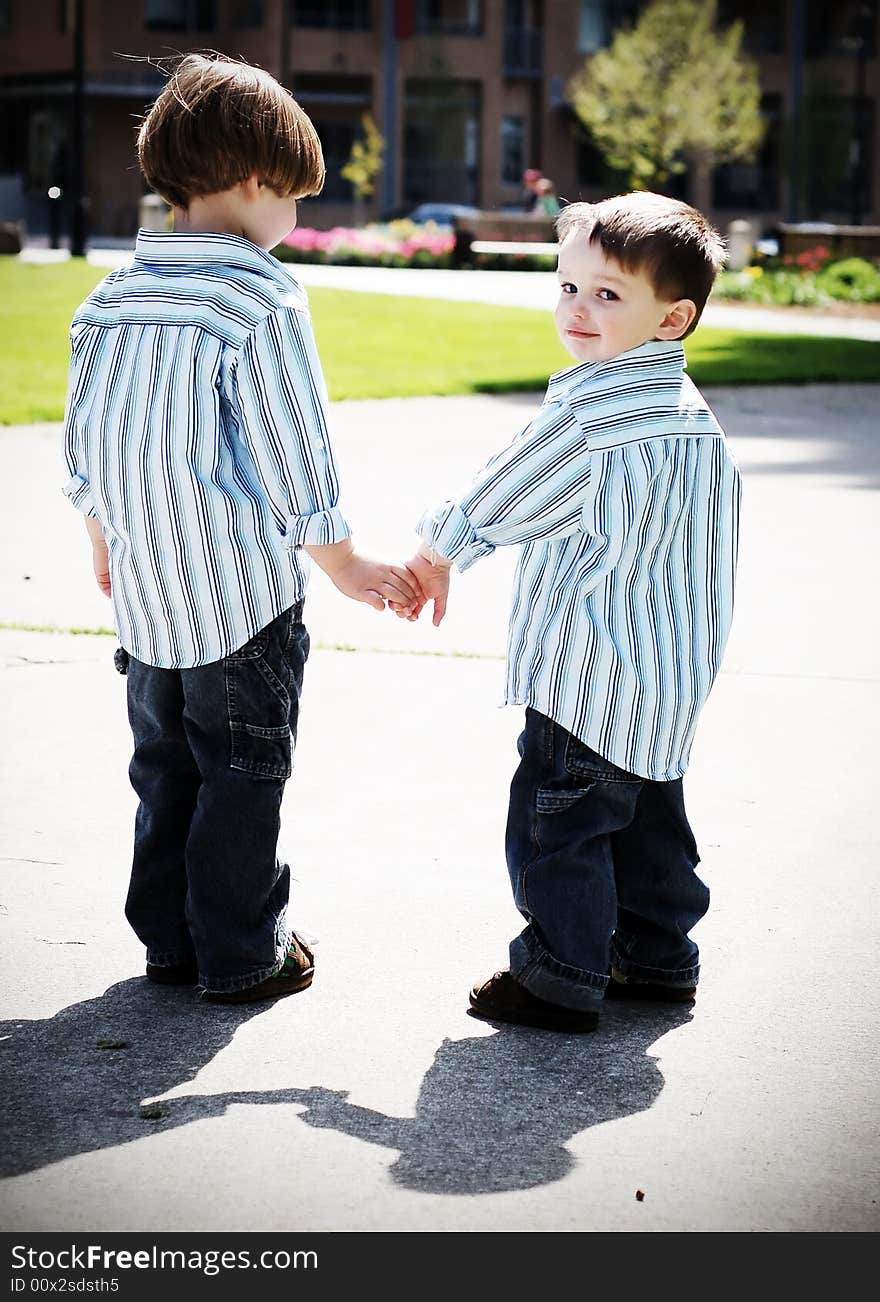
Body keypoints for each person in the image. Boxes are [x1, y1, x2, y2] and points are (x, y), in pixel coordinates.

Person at [61, 53, 422, 1005]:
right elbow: (290, 445)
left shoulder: (109, 299)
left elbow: (90, 432)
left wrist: (99, 528)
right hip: (241, 604)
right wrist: (341, 560)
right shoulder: (260, 298)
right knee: (242, 773)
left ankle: (169, 940)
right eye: (296, 196)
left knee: (165, 771)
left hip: (147, 600)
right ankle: (240, 948)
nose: (293, 219)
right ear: (258, 180)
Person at [400, 192, 740, 1033]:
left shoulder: (590, 413)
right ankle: (658, 960)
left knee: (562, 827)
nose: (577, 310)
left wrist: (435, 554)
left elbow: (501, 493)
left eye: (608, 294)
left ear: (674, 317)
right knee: (650, 821)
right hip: (667, 675)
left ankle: (560, 972)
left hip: (587, 674)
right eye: (566, 287)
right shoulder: (694, 419)